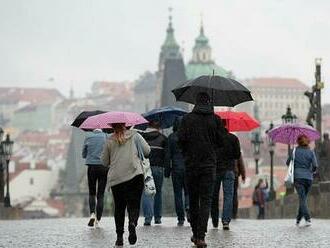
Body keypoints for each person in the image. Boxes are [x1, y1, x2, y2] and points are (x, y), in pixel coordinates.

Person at [178, 92, 224, 248]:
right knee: (206, 201)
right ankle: (201, 236)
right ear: (209, 102)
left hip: (191, 165)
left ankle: (195, 233)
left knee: (193, 200)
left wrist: (187, 153)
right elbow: (221, 142)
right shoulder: (216, 119)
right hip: (209, 165)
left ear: (196, 102)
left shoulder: (187, 119)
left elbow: (181, 140)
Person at [101, 123, 150, 246]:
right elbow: (147, 151)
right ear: (125, 125)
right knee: (134, 204)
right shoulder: (135, 136)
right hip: (135, 175)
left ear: (112, 126)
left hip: (117, 178)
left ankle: (119, 237)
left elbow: (104, 161)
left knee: (119, 207)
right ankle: (132, 222)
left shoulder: (109, 140)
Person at [211, 127, 241, 230]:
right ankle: (225, 221)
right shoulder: (233, 138)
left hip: (215, 170)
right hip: (229, 170)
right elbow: (237, 154)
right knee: (228, 196)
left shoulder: (214, 139)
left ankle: (215, 220)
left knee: (214, 195)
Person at [286, 134, 318, 226]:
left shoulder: (294, 151)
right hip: (308, 178)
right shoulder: (311, 152)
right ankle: (298, 219)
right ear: (307, 141)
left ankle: (307, 219)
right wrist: (310, 172)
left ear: (298, 141)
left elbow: (288, 163)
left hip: (298, 178)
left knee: (302, 199)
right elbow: (315, 165)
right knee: (303, 198)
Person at [141, 121, 168, 225]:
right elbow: (166, 156)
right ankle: (157, 218)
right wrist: (167, 169)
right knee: (158, 192)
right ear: (159, 127)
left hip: (145, 168)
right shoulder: (163, 138)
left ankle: (148, 218)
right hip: (159, 168)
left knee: (147, 192)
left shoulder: (142, 138)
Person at [165, 116, 189, 226]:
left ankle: (180, 218)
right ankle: (188, 207)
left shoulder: (171, 137)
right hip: (188, 169)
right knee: (188, 192)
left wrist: (167, 170)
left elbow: (168, 155)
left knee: (178, 193)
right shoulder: (189, 137)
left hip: (176, 169)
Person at [82, 128, 108, 228]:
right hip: (103, 167)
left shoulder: (88, 137)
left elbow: (84, 154)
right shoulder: (106, 137)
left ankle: (92, 214)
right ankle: (98, 219)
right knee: (100, 194)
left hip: (91, 167)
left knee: (92, 193)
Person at [232, 155, 246, 219]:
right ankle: (234, 213)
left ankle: (227, 213)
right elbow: (241, 164)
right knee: (234, 194)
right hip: (235, 175)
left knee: (228, 195)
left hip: (226, 173)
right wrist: (243, 176)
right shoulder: (236, 150)